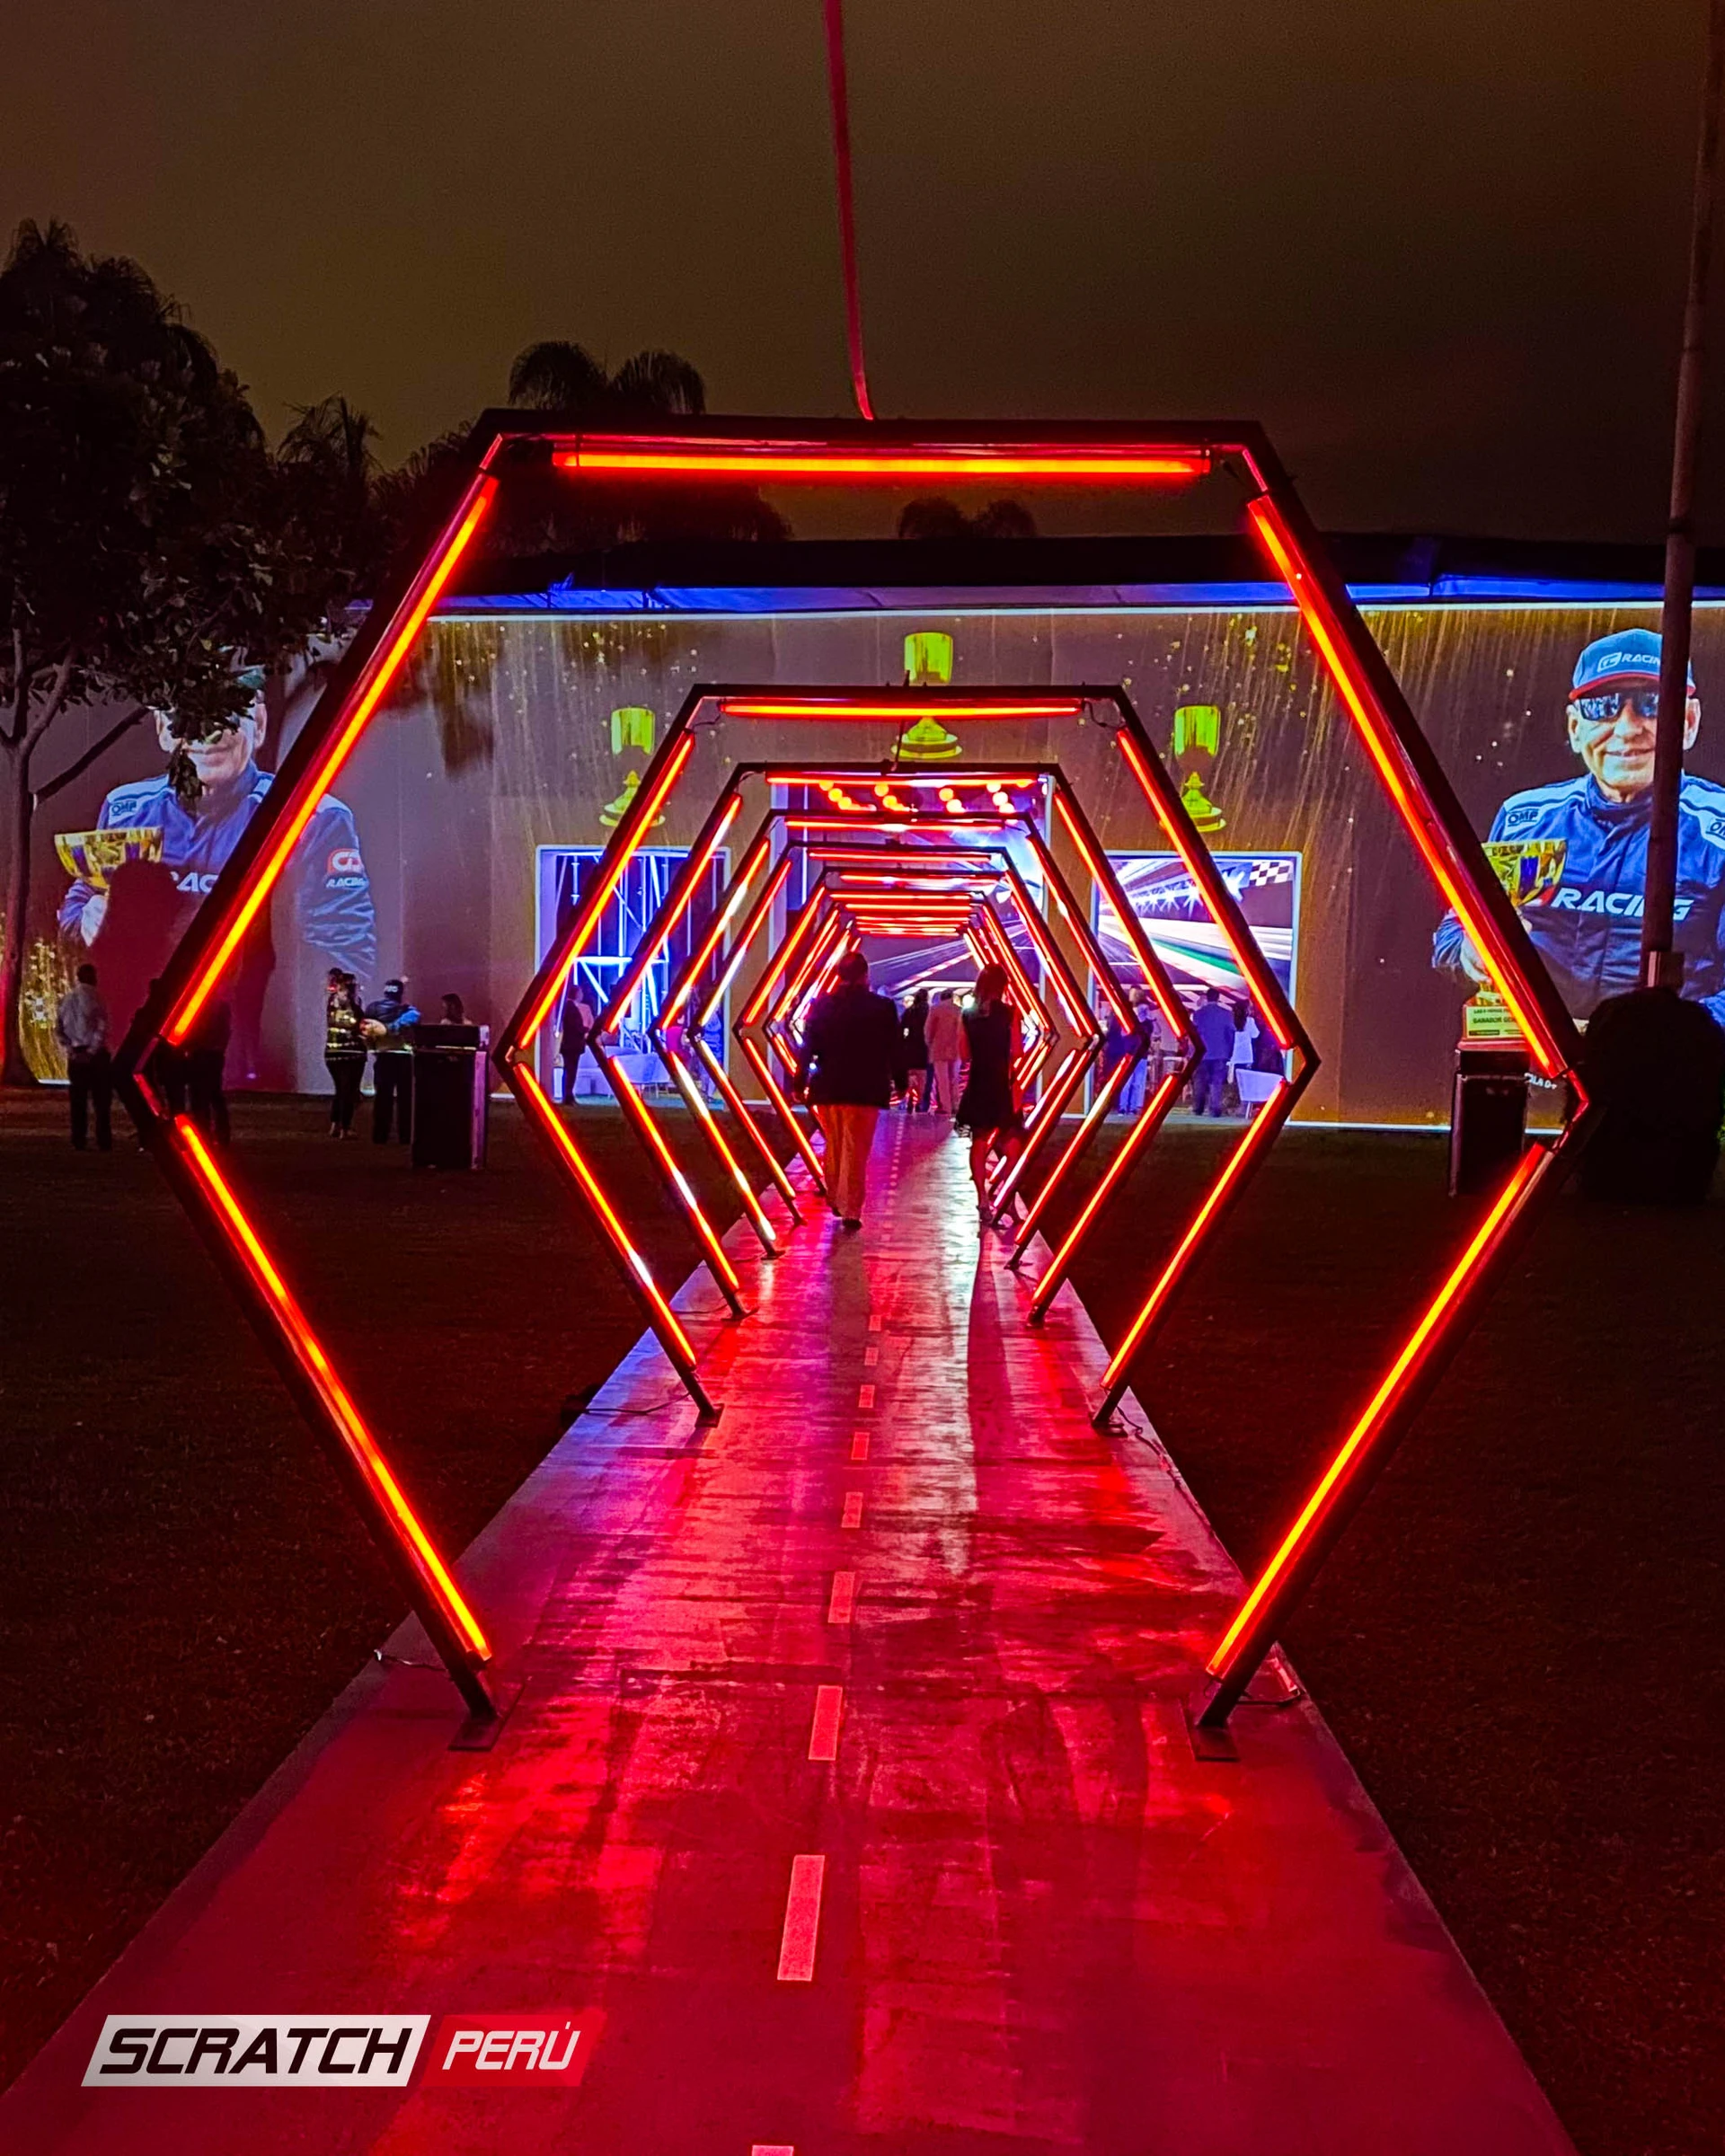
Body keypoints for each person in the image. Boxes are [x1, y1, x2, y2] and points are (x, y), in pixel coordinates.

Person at [58, 675, 377, 1080]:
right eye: (189, 716)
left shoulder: (316, 820)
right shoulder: (124, 809)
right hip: (140, 1034)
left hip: (247, 1047)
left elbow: (346, 953)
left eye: (230, 712)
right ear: (161, 729)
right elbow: (76, 908)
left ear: (258, 724)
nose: (208, 731)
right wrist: (89, 920)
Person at [1433, 627, 1725, 1024]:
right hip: (1539, 1067)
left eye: (1652, 705)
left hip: (1667, 1077)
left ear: (1688, 722)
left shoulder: (1718, 836)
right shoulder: (1526, 819)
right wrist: (1472, 953)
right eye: (1603, 707)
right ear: (1575, 728)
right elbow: (1450, 938)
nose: (1626, 728)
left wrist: (1658, 1037)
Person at [792, 950, 907, 1230]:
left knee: (834, 1144)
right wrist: (901, 1082)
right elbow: (894, 1048)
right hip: (865, 1088)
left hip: (828, 1086)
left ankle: (834, 1194)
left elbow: (809, 1046)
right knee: (857, 1148)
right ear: (865, 976)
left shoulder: (822, 1006)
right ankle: (851, 1208)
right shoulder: (882, 1008)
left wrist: (800, 1081)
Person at [956, 963, 1026, 1223]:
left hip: (978, 1083)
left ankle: (982, 1200)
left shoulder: (968, 1015)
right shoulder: (1009, 1014)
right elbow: (1017, 1051)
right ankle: (1006, 1199)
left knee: (979, 1142)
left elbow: (964, 1054)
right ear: (1003, 986)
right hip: (1002, 1083)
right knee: (1013, 1147)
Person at [55, 963, 111, 1151]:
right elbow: (101, 1027)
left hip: (76, 1056)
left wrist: (71, 1050)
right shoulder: (97, 997)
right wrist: (92, 1051)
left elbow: (59, 1030)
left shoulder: (66, 1000)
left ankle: (78, 1138)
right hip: (96, 1057)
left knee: (78, 1100)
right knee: (101, 1101)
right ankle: (103, 1139)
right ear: (93, 977)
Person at [364, 976, 420, 1144]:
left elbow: (365, 1032)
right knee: (405, 1100)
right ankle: (405, 1136)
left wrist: (375, 1045)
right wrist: (394, 1028)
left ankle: (380, 1136)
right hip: (404, 1058)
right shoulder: (409, 1011)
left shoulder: (372, 1009)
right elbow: (415, 1021)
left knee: (382, 1099)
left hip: (383, 1056)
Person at [324, 969, 367, 1137]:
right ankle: (345, 1127)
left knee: (340, 1090)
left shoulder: (331, 1002)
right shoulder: (353, 1003)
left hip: (332, 1051)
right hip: (352, 1052)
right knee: (349, 1091)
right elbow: (359, 1024)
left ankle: (335, 1124)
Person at [185, 998, 232, 1144]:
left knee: (203, 1095)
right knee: (213, 1095)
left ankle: (205, 1131)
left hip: (204, 1053)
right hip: (212, 1054)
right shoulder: (221, 1007)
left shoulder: (200, 1008)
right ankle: (217, 1133)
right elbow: (225, 1031)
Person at [1190, 986, 1235, 1117]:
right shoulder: (1226, 1014)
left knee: (1200, 1081)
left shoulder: (1198, 1014)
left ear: (1207, 997)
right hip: (1220, 1052)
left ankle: (1198, 1107)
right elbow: (1231, 1034)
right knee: (1217, 1082)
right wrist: (1230, 1051)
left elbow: (1194, 1034)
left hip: (1202, 1053)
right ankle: (1215, 1108)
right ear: (1218, 998)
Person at [925, 987, 967, 1116]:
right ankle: (955, 1105)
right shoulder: (959, 1010)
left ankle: (946, 1107)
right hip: (956, 1049)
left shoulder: (935, 1010)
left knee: (942, 1080)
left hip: (939, 1049)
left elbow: (928, 1030)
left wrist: (929, 1044)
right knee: (954, 1079)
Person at [559, 983, 597, 1100]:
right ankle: (568, 1096)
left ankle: (568, 1095)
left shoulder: (571, 1007)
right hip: (571, 1045)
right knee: (570, 1071)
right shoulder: (571, 1008)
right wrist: (586, 1029)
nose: (582, 995)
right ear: (576, 994)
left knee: (570, 1071)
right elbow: (575, 1026)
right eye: (580, 992)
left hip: (571, 1045)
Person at [900, 988, 932, 1111]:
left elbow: (903, 1028)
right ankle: (919, 1101)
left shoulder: (909, 1011)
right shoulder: (929, 1011)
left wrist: (904, 1040)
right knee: (922, 1077)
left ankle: (910, 1098)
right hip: (924, 1047)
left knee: (911, 1075)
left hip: (910, 1047)